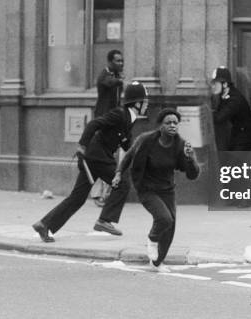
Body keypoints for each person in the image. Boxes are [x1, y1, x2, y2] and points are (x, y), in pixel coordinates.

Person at [32, 81, 148, 242]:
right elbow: (94, 124)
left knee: (77, 198)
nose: (147, 105)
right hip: (98, 156)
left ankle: (44, 225)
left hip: (95, 158)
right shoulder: (119, 114)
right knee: (121, 183)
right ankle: (104, 220)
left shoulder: (130, 118)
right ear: (136, 103)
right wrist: (82, 146)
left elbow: (123, 140)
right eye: (145, 101)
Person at [113, 108, 199, 272]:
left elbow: (192, 174)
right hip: (147, 188)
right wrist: (118, 173)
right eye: (168, 123)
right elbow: (129, 156)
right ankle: (152, 239)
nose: (172, 126)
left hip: (167, 190)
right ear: (161, 125)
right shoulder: (146, 140)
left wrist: (190, 158)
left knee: (170, 226)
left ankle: (157, 262)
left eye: (175, 123)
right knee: (164, 219)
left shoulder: (180, 145)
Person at [91, 50, 125, 207]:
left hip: (113, 121)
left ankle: (105, 193)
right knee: (102, 157)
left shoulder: (116, 76)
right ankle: (98, 194)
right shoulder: (105, 75)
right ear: (110, 62)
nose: (121, 63)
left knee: (110, 156)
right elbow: (107, 82)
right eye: (118, 61)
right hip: (103, 121)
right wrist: (121, 81)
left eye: (122, 61)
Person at [210, 66, 251, 151]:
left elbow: (219, 118)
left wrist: (206, 112)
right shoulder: (225, 94)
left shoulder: (234, 99)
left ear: (225, 84)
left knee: (234, 161)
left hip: (246, 135)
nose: (213, 86)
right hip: (238, 132)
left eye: (216, 83)